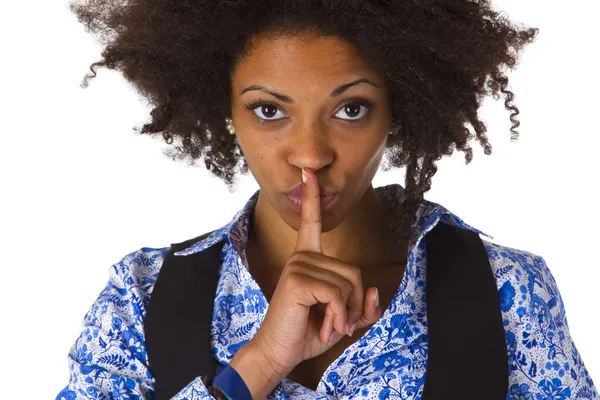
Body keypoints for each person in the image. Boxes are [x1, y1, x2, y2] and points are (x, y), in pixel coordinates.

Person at [57, 1, 598, 399]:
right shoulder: (140, 299)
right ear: (226, 111)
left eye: (351, 109)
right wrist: (258, 366)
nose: (310, 155)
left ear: (399, 110)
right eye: (269, 110)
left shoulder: (507, 292)